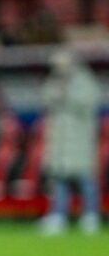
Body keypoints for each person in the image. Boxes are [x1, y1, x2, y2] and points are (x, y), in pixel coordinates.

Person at [39, 49, 103, 235]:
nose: (60, 68)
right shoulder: (54, 82)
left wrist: (67, 95)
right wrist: (58, 93)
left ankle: (90, 215)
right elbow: (46, 99)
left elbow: (88, 102)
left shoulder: (84, 81)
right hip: (60, 141)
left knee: (86, 179)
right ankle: (59, 215)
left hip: (79, 140)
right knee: (59, 181)